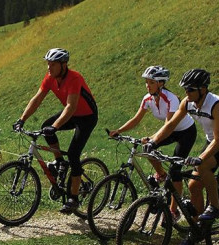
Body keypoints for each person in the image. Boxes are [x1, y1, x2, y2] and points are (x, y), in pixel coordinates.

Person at [145, 68, 219, 245]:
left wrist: (200, 158)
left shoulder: (218, 105)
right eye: (185, 90)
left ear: (203, 89)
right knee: (193, 186)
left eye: (190, 90)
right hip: (212, 142)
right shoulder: (188, 102)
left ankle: (215, 206)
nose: (187, 93)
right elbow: (171, 124)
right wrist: (154, 141)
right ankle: (197, 229)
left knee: (204, 166)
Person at [13, 48, 100, 214]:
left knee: (74, 153)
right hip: (72, 115)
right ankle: (60, 161)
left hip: (87, 117)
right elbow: (37, 99)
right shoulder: (50, 78)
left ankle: (73, 198)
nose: (49, 68)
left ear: (63, 65)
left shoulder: (75, 77)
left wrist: (56, 126)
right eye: (48, 64)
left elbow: (71, 106)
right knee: (46, 127)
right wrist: (22, 119)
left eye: (52, 64)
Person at [109, 65, 197, 220]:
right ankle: (162, 175)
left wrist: (152, 138)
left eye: (151, 82)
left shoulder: (171, 98)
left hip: (185, 132)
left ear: (161, 83)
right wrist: (119, 131)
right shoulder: (147, 99)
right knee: (147, 149)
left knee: (175, 171)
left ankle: (173, 211)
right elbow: (136, 119)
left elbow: (169, 124)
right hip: (169, 130)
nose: (147, 85)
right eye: (146, 82)